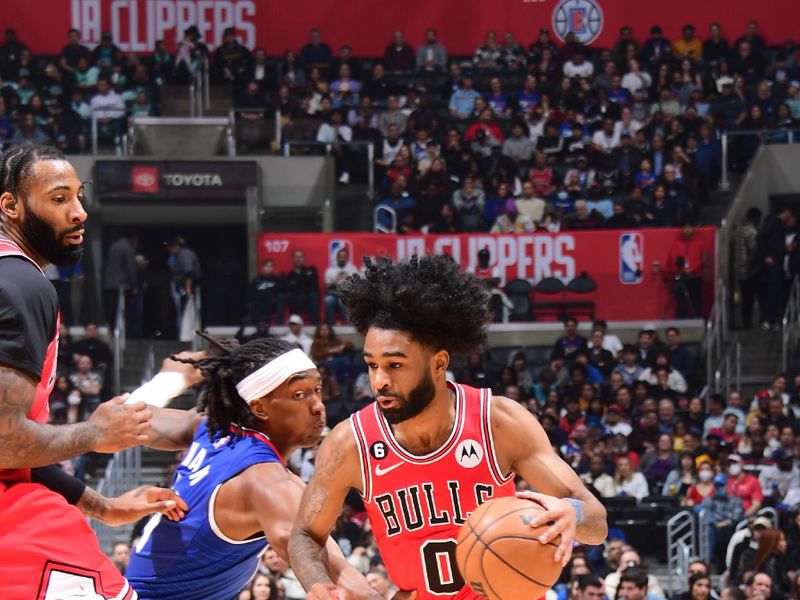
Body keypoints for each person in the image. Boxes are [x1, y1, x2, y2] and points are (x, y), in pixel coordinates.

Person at [288, 255, 607, 599]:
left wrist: (571, 512)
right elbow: (305, 534)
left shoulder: (498, 422)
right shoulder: (350, 442)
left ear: (438, 362)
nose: (379, 381)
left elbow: (596, 522)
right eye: (372, 365)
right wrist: (317, 583)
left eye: (395, 364)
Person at [0, 143, 182, 598]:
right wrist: (94, 433)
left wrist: (103, 507)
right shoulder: (21, 282)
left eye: (80, 196)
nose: (79, 212)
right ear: (11, 206)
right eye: (60, 199)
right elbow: (4, 444)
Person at [125, 337, 380, 599]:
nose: (318, 405)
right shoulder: (264, 482)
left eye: (317, 389)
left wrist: (171, 379)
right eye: (299, 395)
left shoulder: (212, 429)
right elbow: (333, 566)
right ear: (259, 407)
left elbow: (126, 417)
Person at [166, 235, 202, 338]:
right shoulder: (177, 256)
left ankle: (185, 335)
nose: (169, 250)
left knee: (185, 313)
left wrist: (188, 288)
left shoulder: (185, 254)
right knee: (181, 313)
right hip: (181, 287)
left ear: (176, 246)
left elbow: (189, 272)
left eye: (171, 247)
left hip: (185, 289)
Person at [104, 232, 139, 335]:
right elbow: (130, 268)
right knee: (123, 309)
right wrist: (134, 285)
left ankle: (112, 327)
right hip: (123, 284)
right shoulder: (127, 248)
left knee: (112, 308)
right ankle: (125, 332)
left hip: (110, 283)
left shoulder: (114, 246)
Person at [277, 250, 320, 325]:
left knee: (314, 296)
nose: (298, 259)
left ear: (304, 258)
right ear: (293, 259)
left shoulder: (311, 270)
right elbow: (286, 287)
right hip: (295, 299)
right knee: (281, 296)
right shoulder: (289, 275)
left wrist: (295, 283)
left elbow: (313, 284)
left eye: (300, 257)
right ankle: (279, 324)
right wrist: (301, 281)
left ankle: (314, 324)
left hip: (307, 298)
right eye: (296, 257)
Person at [324, 247, 357, 326]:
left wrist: (342, 282)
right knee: (328, 300)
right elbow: (327, 286)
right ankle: (330, 326)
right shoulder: (330, 270)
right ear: (337, 258)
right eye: (340, 257)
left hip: (347, 295)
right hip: (333, 294)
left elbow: (356, 285)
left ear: (346, 258)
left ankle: (348, 325)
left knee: (343, 301)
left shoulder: (352, 269)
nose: (342, 259)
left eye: (344, 257)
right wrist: (337, 281)